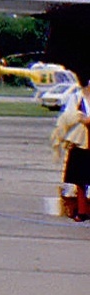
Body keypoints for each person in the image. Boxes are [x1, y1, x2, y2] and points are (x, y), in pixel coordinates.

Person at [50, 86, 90, 221]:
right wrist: (80, 118)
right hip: (80, 143)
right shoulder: (77, 98)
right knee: (79, 179)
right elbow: (67, 118)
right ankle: (81, 210)